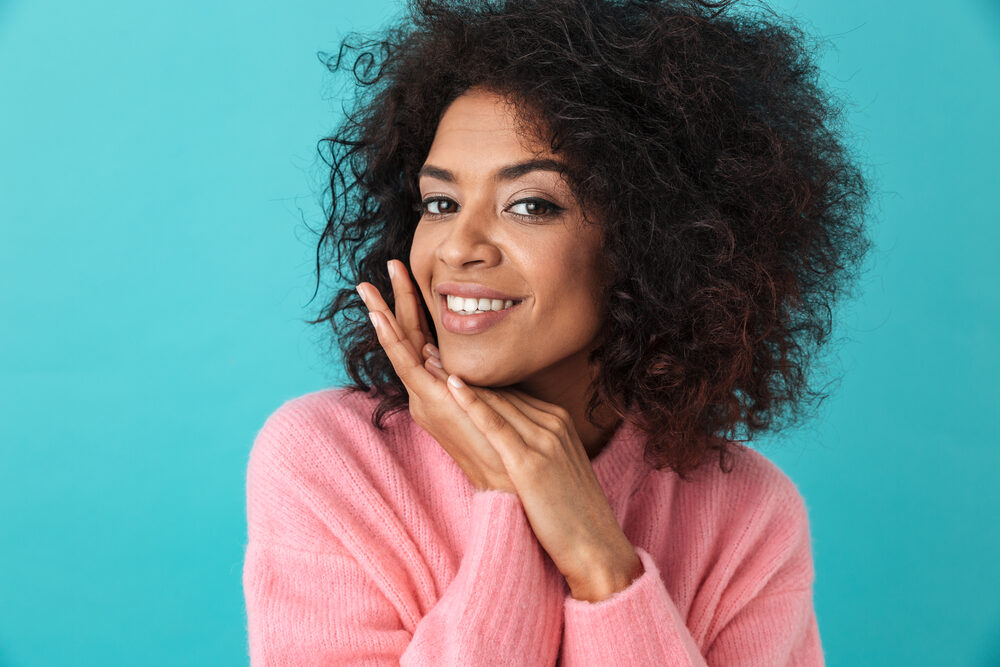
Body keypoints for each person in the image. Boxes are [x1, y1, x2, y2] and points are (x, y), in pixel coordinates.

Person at [242, 0, 872, 664]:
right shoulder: (328, 463)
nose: (459, 247)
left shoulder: (747, 518)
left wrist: (600, 559)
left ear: (652, 241)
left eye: (531, 205)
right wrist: (509, 498)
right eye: (440, 202)